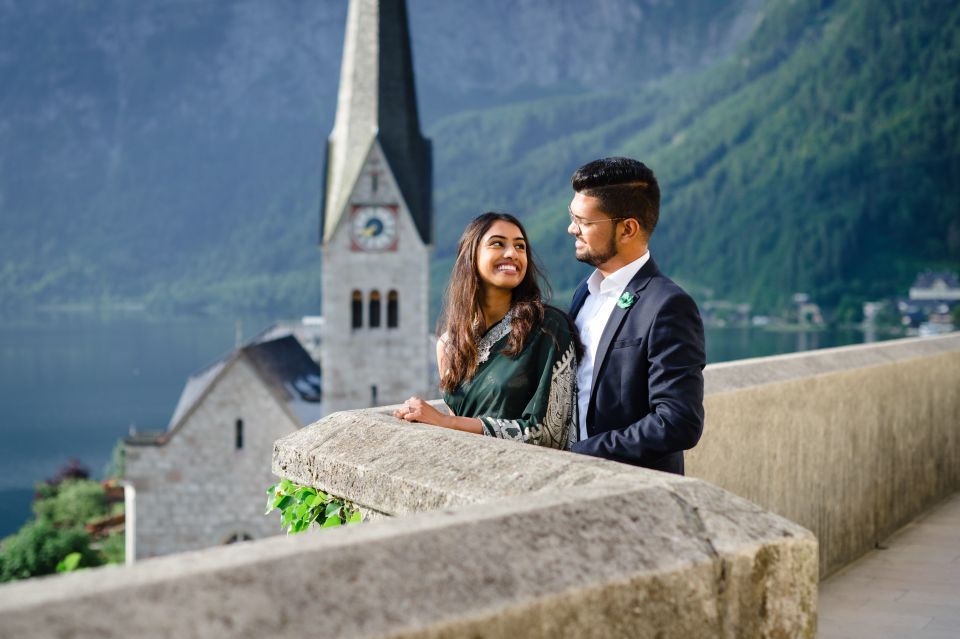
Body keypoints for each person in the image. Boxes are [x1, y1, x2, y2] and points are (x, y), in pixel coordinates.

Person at [567, 157, 705, 474]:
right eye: (572, 217)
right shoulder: (583, 293)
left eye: (584, 221)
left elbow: (678, 421)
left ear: (628, 228)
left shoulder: (668, 305)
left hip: (629, 490)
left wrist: (581, 452)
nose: (571, 228)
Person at [394, 212, 579, 449]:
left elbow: (550, 433)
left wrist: (444, 422)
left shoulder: (547, 327)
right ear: (470, 256)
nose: (512, 253)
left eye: (520, 246)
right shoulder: (450, 344)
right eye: (498, 244)